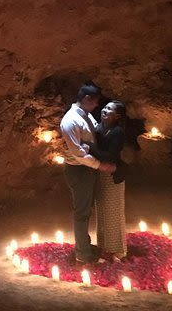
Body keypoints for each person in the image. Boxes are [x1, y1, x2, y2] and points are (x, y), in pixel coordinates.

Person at [59, 84, 116, 264]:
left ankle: (85, 245)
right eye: (96, 102)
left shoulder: (86, 114)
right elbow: (78, 152)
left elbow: (91, 137)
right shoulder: (70, 121)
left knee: (86, 209)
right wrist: (100, 165)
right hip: (79, 170)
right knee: (82, 212)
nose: (98, 106)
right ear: (87, 100)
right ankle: (82, 254)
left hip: (87, 169)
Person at [90, 100, 128, 260]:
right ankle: (103, 245)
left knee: (112, 211)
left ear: (117, 116)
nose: (105, 110)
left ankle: (115, 249)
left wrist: (89, 148)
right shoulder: (99, 128)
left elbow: (111, 156)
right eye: (105, 107)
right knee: (102, 211)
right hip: (100, 173)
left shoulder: (118, 132)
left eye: (109, 109)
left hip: (113, 175)